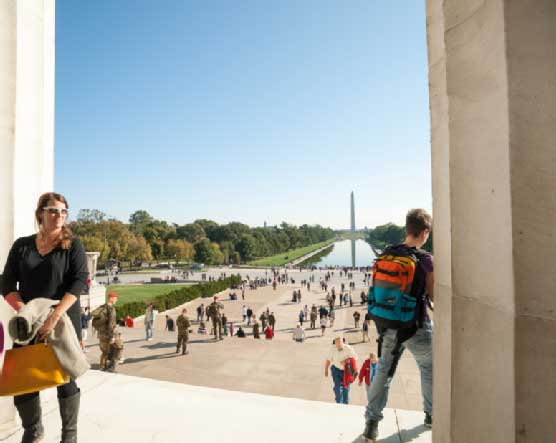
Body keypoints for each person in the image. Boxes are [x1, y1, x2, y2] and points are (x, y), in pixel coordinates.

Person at [1, 192, 89, 442]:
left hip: (62, 320)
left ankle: (69, 436)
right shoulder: (22, 245)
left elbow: (79, 281)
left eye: (63, 211)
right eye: (52, 210)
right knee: (24, 381)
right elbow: (6, 282)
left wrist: (53, 317)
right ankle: (33, 430)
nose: (59, 216)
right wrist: (24, 310)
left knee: (65, 379)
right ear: (40, 213)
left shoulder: (73, 245)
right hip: (28, 323)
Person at [363, 209, 434, 441]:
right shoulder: (425, 260)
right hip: (416, 325)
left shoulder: (387, 253)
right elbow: (433, 296)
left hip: (389, 324)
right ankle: (431, 414)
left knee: (384, 370)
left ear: (406, 228)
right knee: (428, 367)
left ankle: (371, 423)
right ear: (424, 232)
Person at [324, 335, 358, 404]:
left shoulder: (348, 348)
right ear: (335, 343)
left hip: (346, 371)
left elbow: (354, 358)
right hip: (336, 370)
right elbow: (328, 360)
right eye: (337, 343)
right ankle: (339, 402)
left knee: (346, 389)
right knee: (338, 388)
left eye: (340, 343)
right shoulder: (332, 349)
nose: (339, 345)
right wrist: (326, 369)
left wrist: (346, 361)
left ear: (343, 342)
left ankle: (345, 404)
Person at [92, 291, 119, 372]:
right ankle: (111, 367)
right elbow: (111, 325)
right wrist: (112, 337)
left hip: (101, 333)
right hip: (108, 334)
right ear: (111, 298)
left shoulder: (102, 307)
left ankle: (102, 367)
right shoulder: (111, 309)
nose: (116, 300)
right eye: (115, 298)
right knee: (118, 348)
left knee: (104, 351)